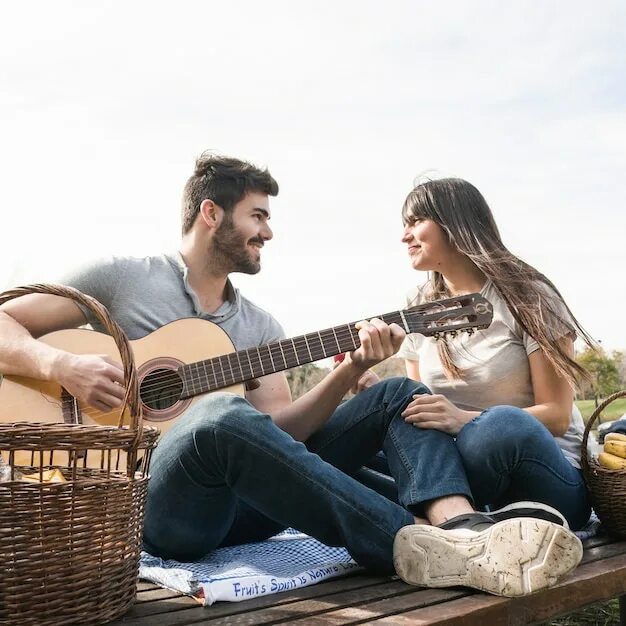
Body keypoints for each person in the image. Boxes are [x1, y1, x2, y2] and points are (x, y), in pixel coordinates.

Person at [0, 155, 582, 597]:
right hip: (148, 504)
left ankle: (461, 533)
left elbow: (286, 432)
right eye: (258, 216)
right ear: (211, 213)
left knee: (399, 393)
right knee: (216, 416)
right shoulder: (123, 279)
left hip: (243, 509)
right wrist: (60, 364)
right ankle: (407, 540)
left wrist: (351, 369)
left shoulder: (259, 325)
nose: (268, 232)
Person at [387, 176, 592, 534]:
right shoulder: (416, 305)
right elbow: (424, 413)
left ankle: (434, 516)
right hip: (465, 478)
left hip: (549, 479)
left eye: (416, 221)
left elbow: (557, 416)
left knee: (498, 427)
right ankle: (460, 521)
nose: (405, 236)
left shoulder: (527, 294)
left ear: (455, 222)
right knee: (360, 446)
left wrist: (464, 419)